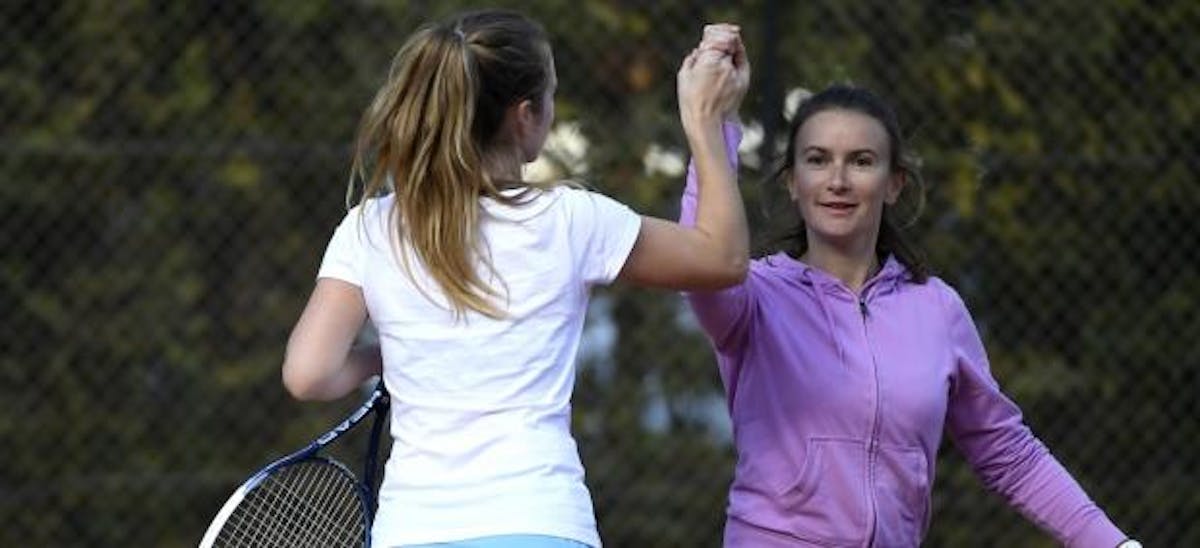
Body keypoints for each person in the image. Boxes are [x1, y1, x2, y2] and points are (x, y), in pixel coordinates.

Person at [281, 10, 750, 548]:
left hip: (411, 531)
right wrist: (705, 120)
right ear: (525, 116)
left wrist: (392, 353)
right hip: (540, 521)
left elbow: (308, 374)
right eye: (550, 96)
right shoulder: (569, 220)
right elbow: (723, 260)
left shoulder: (371, 226)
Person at [677, 73, 1138, 546]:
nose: (837, 180)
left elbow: (1008, 452)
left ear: (894, 183)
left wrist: (1114, 543)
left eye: (861, 161)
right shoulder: (753, 295)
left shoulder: (937, 308)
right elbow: (700, 259)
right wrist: (718, 122)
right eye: (817, 160)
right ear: (793, 182)